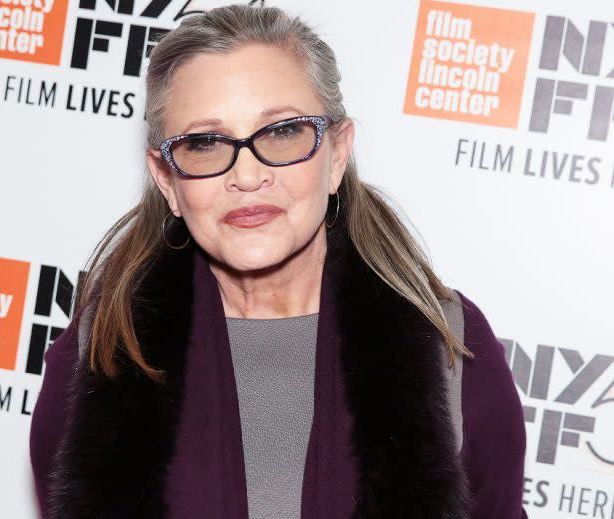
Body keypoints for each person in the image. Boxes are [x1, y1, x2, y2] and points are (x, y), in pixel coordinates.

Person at [29, 4, 527, 518]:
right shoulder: (100, 355)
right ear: (166, 180)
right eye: (204, 143)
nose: (246, 176)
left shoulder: (448, 346)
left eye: (283, 132)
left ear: (336, 154)